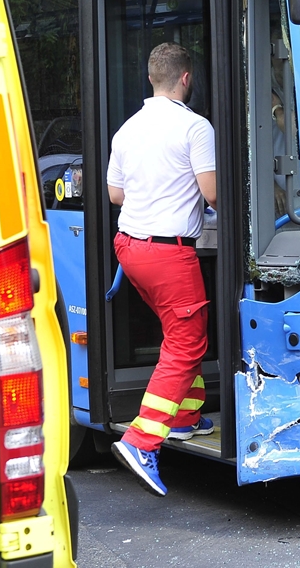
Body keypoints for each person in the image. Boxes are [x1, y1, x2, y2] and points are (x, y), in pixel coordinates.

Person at [107, 42, 216, 497]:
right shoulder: (195, 127)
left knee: (177, 330)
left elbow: (115, 194)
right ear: (186, 78)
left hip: (129, 247)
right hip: (168, 253)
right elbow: (213, 193)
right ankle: (141, 439)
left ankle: (186, 417)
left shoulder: (127, 129)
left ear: (151, 77)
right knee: (189, 339)